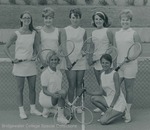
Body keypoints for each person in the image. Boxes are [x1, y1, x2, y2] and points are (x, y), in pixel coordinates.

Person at [4, 11, 42, 119]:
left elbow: (36, 48)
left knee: (32, 88)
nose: (26, 19)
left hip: (30, 64)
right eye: (24, 18)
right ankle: (21, 111)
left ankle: (33, 109)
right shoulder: (16, 33)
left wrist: (35, 55)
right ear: (21, 20)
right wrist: (12, 58)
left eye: (28, 18)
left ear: (30, 20)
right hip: (19, 65)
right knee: (20, 88)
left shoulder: (34, 33)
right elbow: (5, 47)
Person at [115, 9, 142, 123]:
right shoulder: (116, 34)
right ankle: (118, 108)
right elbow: (116, 50)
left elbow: (139, 50)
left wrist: (130, 58)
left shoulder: (134, 33)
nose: (124, 22)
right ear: (120, 21)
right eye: (123, 20)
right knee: (115, 87)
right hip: (119, 65)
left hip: (130, 66)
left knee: (128, 89)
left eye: (127, 20)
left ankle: (127, 112)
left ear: (130, 20)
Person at [60, 8, 88, 110]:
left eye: (77, 17)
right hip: (69, 61)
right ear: (70, 18)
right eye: (73, 17)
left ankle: (79, 106)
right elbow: (63, 47)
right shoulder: (64, 30)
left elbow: (84, 45)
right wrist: (67, 61)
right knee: (72, 84)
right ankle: (71, 105)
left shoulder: (83, 31)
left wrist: (84, 52)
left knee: (79, 84)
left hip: (80, 61)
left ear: (80, 18)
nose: (75, 19)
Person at [91, 54, 126, 125]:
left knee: (103, 121)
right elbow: (100, 92)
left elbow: (117, 92)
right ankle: (108, 113)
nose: (104, 65)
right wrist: (88, 92)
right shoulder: (102, 74)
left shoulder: (115, 74)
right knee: (93, 98)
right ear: (101, 63)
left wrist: (111, 107)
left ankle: (121, 112)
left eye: (107, 63)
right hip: (109, 99)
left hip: (118, 102)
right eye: (103, 63)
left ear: (110, 63)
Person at [90, 11, 114, 112]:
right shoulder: (93, 32)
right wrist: (91, 58)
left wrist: (104, 58)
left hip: (106, 62)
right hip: (96, 62)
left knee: (108, 85)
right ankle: (103, 105)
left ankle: (112, 105)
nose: (98, 21)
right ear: (94, 21)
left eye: (100, 19)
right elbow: (92, 47)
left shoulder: (108, 31)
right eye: (96, 19)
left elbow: (112, 47)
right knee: (101, 84)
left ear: (104, 20)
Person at [39, 51, 69, 124]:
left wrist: (65, 101)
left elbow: (58, 89)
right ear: (48, 61)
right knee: (63, 92)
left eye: (55, 60)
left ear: (58, 61)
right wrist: (53, 95)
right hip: (46, 98)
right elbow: (44, 90)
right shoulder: (45, 74)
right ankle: (60, 117)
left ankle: (49, 110)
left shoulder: (59, 73)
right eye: (51, 60)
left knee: (69, 115)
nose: (54, 61)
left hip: (55, 97)